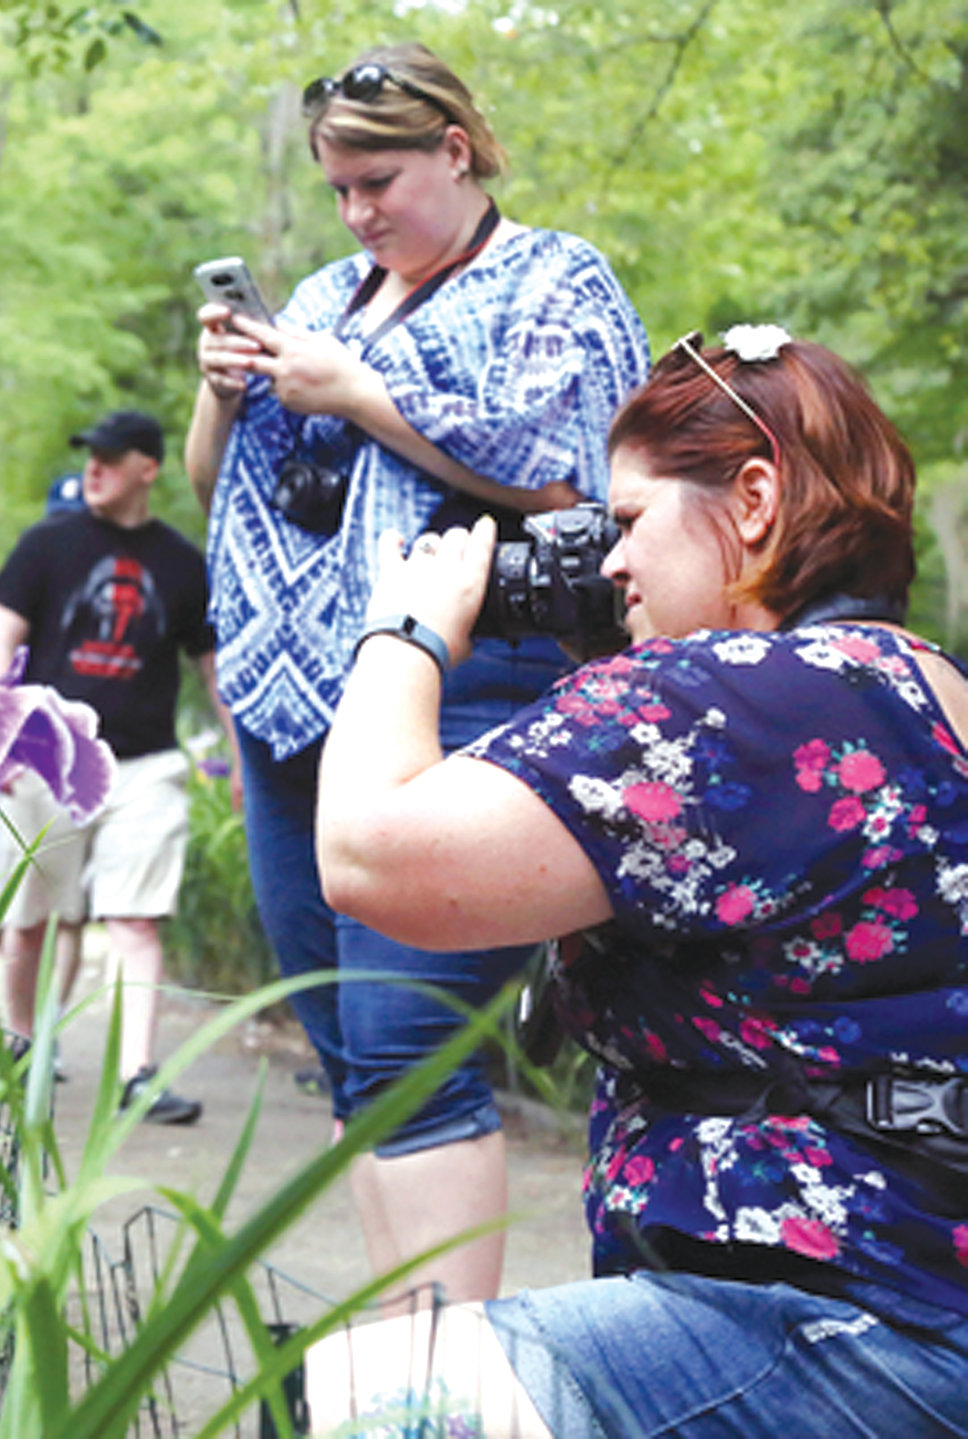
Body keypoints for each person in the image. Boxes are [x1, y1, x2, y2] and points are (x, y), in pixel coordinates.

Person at [306, 330, 968, 1435]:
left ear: (751, 499)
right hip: (905, 1305)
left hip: (848, 1335)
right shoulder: (918, 683)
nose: (607, 565)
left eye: (626, 522)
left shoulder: (726, 695)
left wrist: (407, 623)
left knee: (373, 1401)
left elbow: (367, 854)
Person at [183, 41, 649, 1299]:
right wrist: (225, 392)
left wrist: (366, 393)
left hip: (468, 686)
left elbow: (575, 484)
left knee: (406, 1041)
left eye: (377, 180)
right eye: (337, 189)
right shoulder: (334, 288)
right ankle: (399, 1358)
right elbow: (215, 486)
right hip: (292, 710)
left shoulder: (556, 279)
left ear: (456, 147)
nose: (356, 213)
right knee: (347, 1047)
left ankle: (451, 1376)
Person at [0, 409, 240, 1125]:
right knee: (27, 919)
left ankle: (138, 1074)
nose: (95, 468)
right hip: (47, 757)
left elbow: (213, 667)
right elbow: (0, 631)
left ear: (147, 469)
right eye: (90, 456)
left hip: (146, 762)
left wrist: (238, 755)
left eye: (112, 457)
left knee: (136, 920)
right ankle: (22, 1045)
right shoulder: (47, 545)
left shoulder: (182, 564)